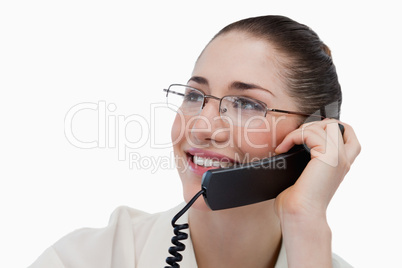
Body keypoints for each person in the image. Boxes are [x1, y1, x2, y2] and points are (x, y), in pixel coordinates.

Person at [29, 15, 361, 268]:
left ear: (311, 138)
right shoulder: (87, 258)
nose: (202, 127)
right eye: (194, 95)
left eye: (246, 104)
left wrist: (305, 223)